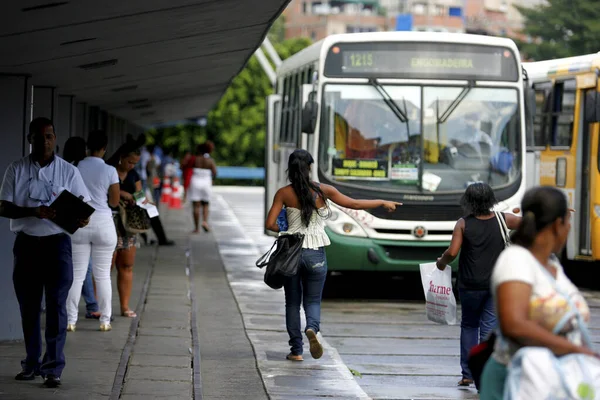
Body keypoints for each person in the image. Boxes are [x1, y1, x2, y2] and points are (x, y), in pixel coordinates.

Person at [264, 149, 401, 361]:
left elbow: (270, 224)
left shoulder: (283, 193)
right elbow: (354, 204)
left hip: (291, 253)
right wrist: (382, 202)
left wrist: (287, 226)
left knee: (292, 303)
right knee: (313, 301)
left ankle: (296, 351)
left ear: (290, 169)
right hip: (315, 254)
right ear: (310, 167)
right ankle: (312, 328)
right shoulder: (323, 191)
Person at [480, 187, 596, 398]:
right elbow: (513, 325)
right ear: (558, 225)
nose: (569, 228)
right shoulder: (516, 260)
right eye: (568, 223)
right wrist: (577, 350)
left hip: (553, 379)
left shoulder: (553, 267)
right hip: (516, 381)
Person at [0, 117, 90, 388]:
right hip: (27, 243)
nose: (45, 141)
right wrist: (33, 211)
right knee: (28, 308)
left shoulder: (68, 172)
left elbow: (82, 205)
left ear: (55, 138)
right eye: (39, 137)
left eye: (49, 136)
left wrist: (82, 218)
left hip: (57, 245)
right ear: (30, 139)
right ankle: (31, 364)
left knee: (56, 306)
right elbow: (3, 207)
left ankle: (53, 368)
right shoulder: (16, 169)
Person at [436, 182, 521, 387]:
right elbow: (531, 222)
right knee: (488, 329)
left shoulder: (463, 224)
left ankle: (467, 374)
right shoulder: (504, 219)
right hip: (494, 285)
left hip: (469, 285)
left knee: (469, 326)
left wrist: (441, 262)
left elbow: (453, 252)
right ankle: (484, 374)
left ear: (468, 201)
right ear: (491, 200)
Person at [66, 130, 119, 332]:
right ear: (104, 149)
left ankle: (71, 321)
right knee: (102, 275)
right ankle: (105, 321)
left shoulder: (74, 167)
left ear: (87, 146)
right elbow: (114, 201)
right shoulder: (110, 170)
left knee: (77, 275)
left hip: (79, 224)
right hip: (104, 224)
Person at [62, 136, 102, 320]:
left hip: (63, 221)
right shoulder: (78, 168)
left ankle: (85, 305)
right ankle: (91, 305)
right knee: (83, 267)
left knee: (78, 267)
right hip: (80, 222)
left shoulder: (63, 167)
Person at [107, 135, 146, 318]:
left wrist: (136, 199)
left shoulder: (134, 175)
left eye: (135, 163)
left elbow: (141, 196)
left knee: (127, 264)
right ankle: (100, 306)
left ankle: (124, 306)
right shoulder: (108, 170)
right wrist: (121, 193)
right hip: (109, 220)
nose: (131, 166)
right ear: (121, 157)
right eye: (129, 162)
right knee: (108, 264)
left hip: (126, 224)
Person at [189, 141, 217, 233]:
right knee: (206, 204)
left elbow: (187, 166)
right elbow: (215, 172)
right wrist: (213, 180)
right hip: (206, 182)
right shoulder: (210, 160)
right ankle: (205, 221)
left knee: (196, 206)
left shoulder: (196, 159)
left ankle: (196, 228)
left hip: (196, 181)